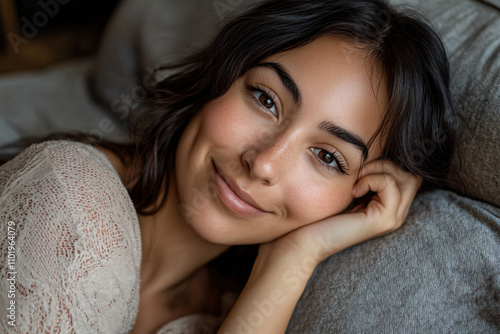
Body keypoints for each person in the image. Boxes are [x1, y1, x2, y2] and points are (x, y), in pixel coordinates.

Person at [0, 0, 456, 332]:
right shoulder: (70, 196)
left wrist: (292, 259)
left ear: (357, 197)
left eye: (328, 157)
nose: (263, 162)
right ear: (221, 76)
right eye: (266, 99)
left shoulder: (225, 312)